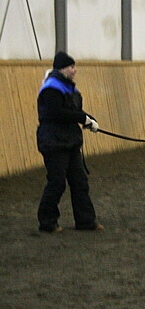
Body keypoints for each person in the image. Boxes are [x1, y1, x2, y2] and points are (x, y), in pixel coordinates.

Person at [36, 51, 104, 233]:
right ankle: (47, 221)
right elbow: (56, 113)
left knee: (79, 182)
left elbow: (72, 112)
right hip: (54, 142)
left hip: (69, 141)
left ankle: (86, 221)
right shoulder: (52, 88)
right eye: (72, 67)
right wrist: (83, 118)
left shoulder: (68, 88)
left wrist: (89, 119)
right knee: (57, 182)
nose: (75, 71)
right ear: (63, 68)